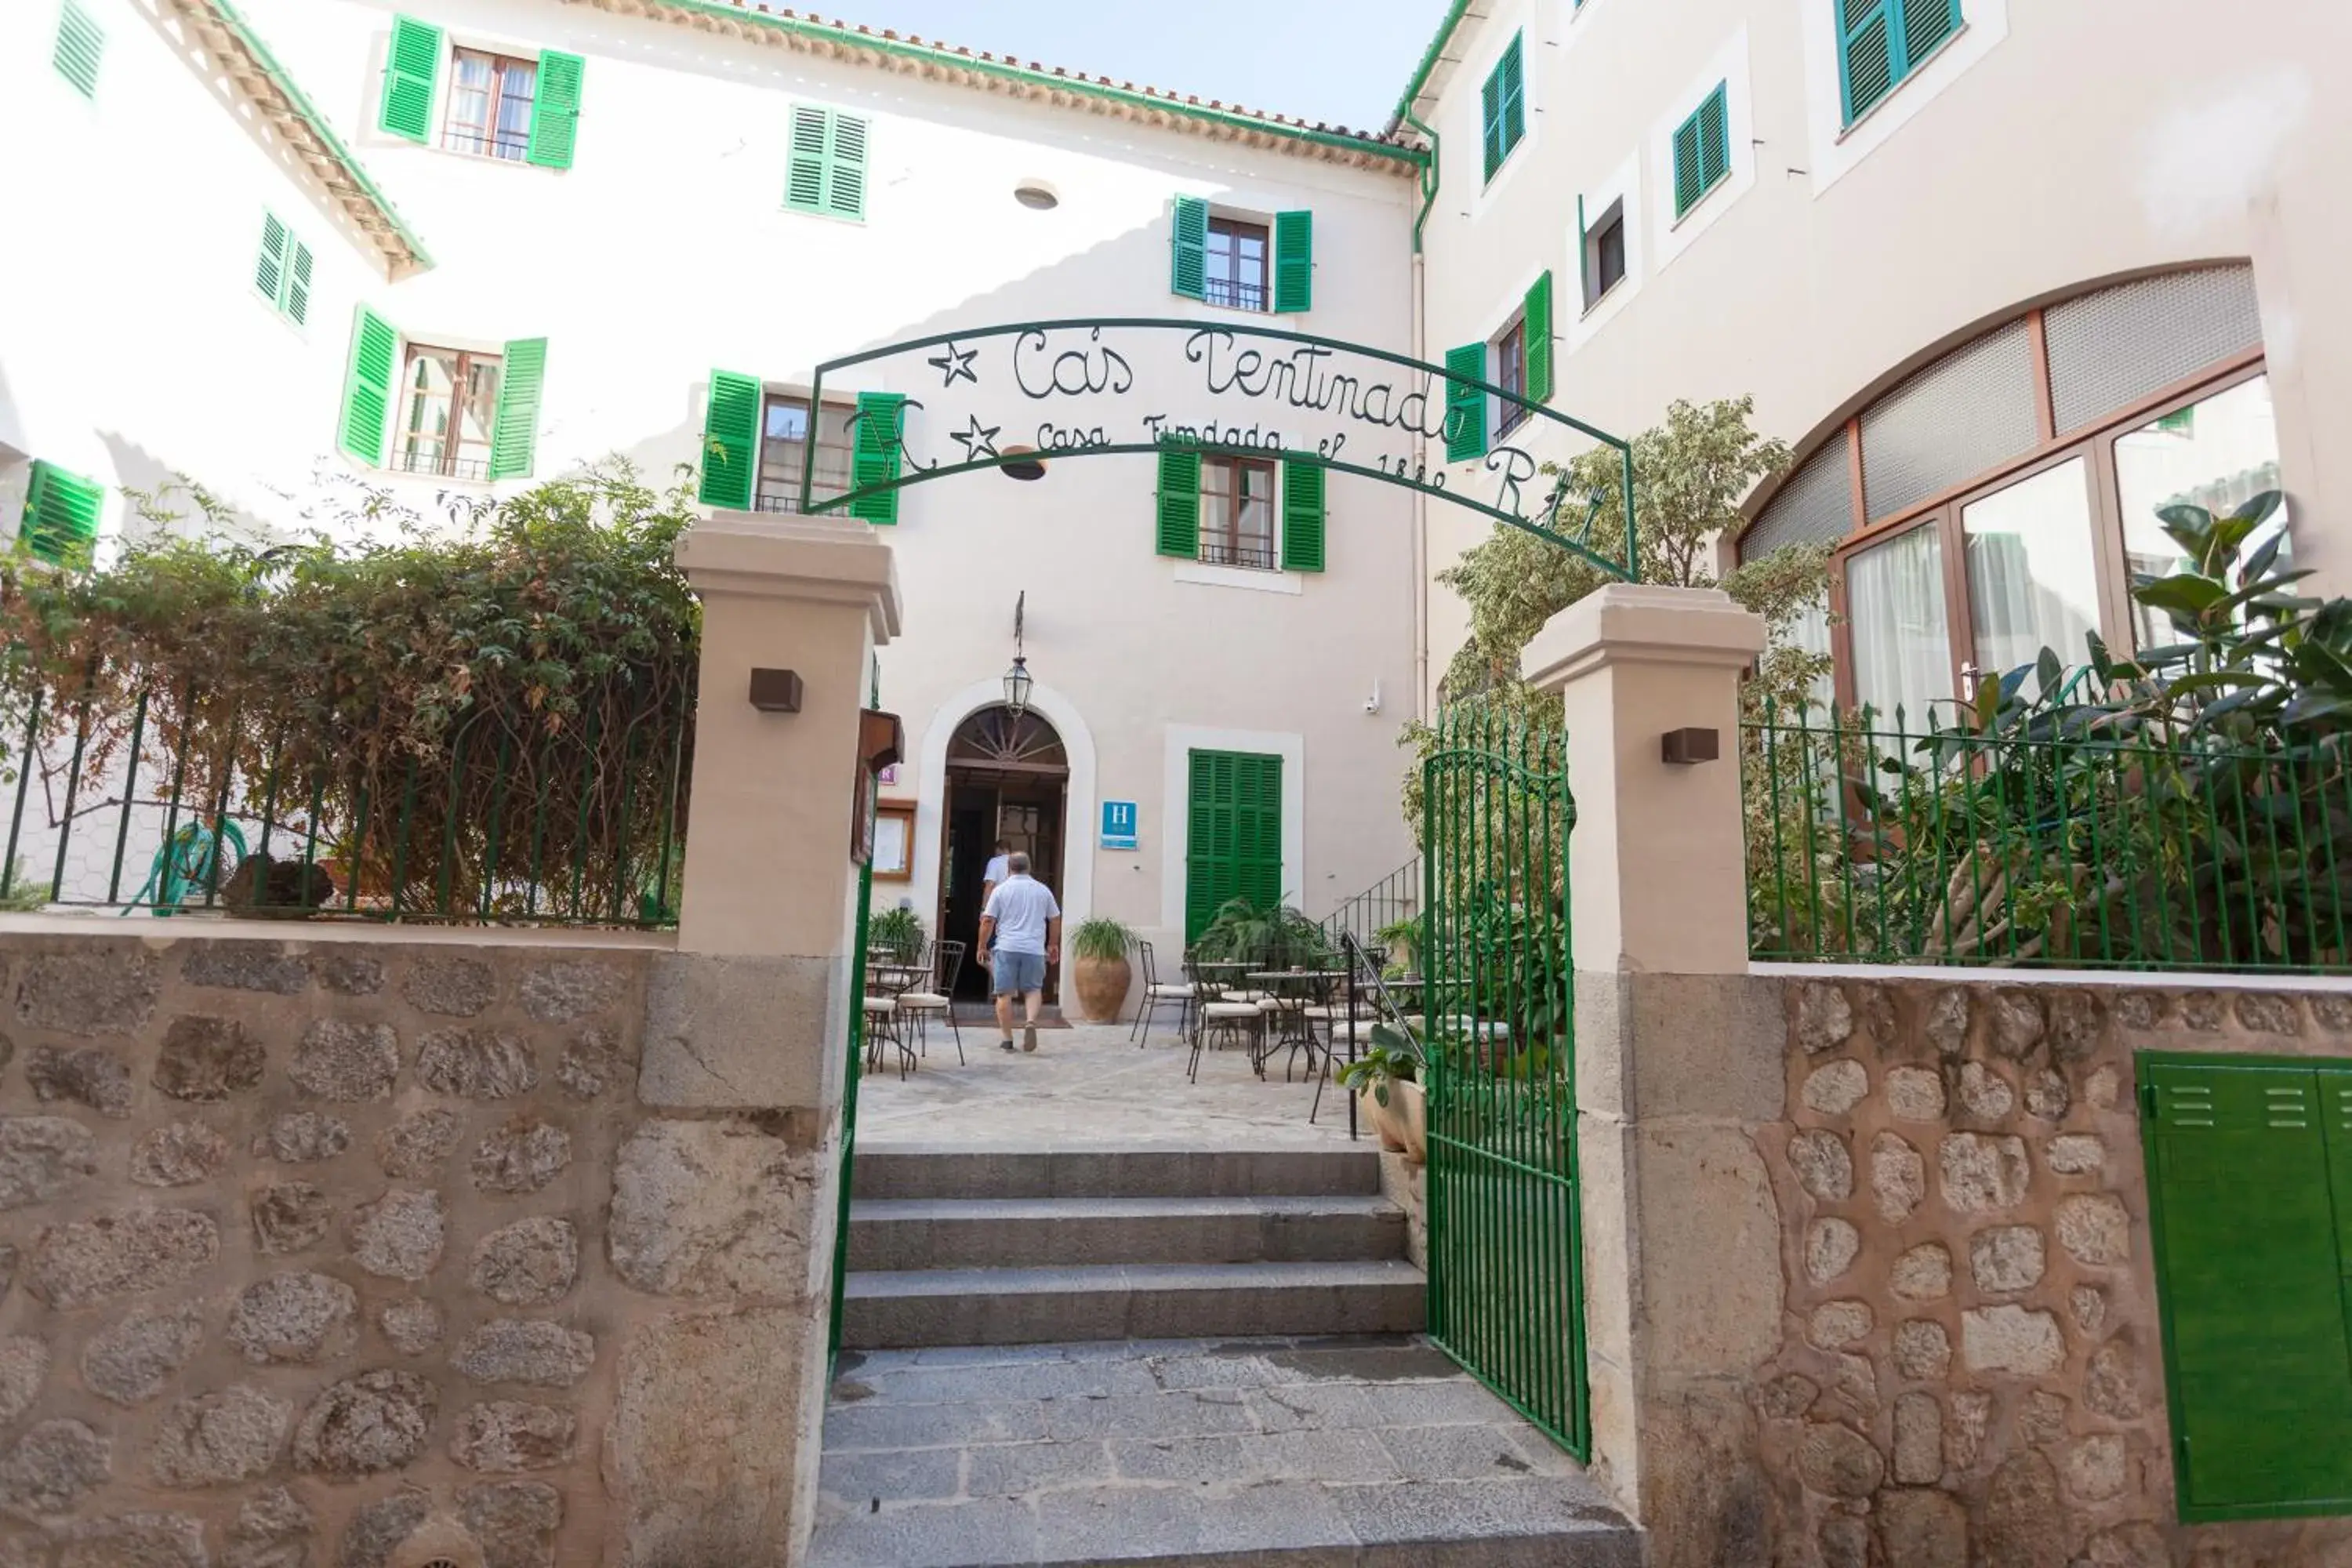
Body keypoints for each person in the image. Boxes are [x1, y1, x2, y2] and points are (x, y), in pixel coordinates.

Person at [977, 851, 1060, 1053]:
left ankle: (1007, 1038)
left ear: (1008, 868)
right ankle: (1030, 1022)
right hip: (1034, 949)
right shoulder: (1042, 890)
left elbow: (988, 920)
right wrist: (1052, 944)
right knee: (1032, 989)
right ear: (1029, 867)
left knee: (1004, 994)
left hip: (1007, 947)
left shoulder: (1001, 890)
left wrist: (981, 946)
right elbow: (1055, 918)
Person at [980, 840, 1012, 907]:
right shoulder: (1018, 862)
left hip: (999, 904)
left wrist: (984, 908)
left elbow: (990, 885)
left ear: (999, 849)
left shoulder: (995, 862)